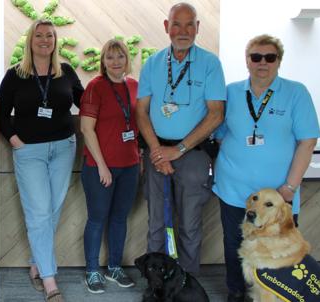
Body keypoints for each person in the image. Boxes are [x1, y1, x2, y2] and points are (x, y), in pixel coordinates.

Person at [212, 34, 320, 302]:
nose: (263, 62)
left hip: (278, 198)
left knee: (279, 250)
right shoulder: (231, 92)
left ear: (278, 61)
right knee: (234, 245)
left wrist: (289, 188)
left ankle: (278, 296)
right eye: (256, 57)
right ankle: (237, 292)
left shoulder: (296, 92)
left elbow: (307, 142)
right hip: (234, 190)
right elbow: (219, 133)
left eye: (270, 57)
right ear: (247, 61)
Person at [135, 2, 226, 274]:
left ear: (198, 28)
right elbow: (141, 111)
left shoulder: (210, 64)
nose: (183, 30)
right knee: (156, 224)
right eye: (177, 23)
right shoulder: (152, 63)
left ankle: (186, 282)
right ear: (167, 27)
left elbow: (216, 114)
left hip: (193, 155)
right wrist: (157, 151)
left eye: (190, 24)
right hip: (157, 152)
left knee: (189, 223)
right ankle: (156, 282)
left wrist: (178, 149)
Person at [0, 19, 84, 302]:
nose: (45, 40)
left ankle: (37, 263)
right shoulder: (15, 75)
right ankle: (49, 280)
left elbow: (88, 103)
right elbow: (0, 113)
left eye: (50, 35)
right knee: (38, 212)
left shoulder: (67, 72)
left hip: (63, 148)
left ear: (55, 40)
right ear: (30, 40)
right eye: (39, 35)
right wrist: (14, 141)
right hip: (29, 152)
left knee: (53, 209)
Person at [79, 39, 139, 294]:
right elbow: (86, 128)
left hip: (130, 165)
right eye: (110, 57)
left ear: (127, 59)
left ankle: (114, 266)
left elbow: (141, 124)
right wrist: (102, 166)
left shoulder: (136, 86)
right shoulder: (95, 87)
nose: (116, 62)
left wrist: (140, 158)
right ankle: (92, 270)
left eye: (120, 56)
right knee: (97, 218)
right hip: (99, 167)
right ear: (103, 61)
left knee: (119, 218)